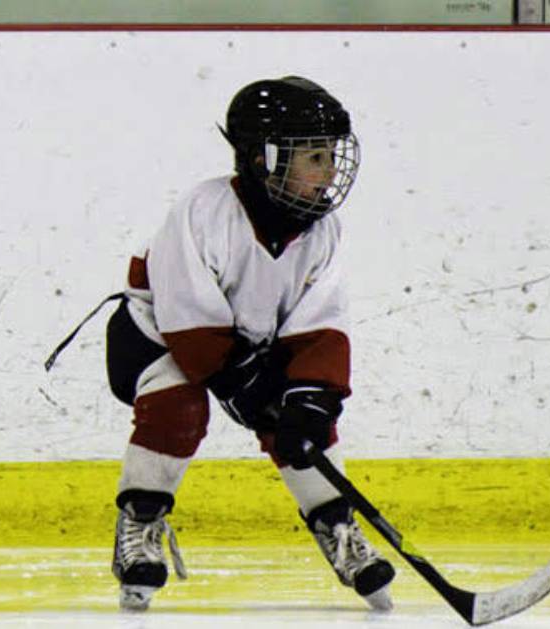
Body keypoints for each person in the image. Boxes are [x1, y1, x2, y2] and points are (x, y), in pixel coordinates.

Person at [102, 77, 394, 612]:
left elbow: (319, 324)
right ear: (265, 161)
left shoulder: (323, 232)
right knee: (180, 406)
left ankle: (337, 527)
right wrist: (242, 381)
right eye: (314, 157)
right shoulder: (203, 212)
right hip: (157, 335)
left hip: (244, 342)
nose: (329, 171)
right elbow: (187, 319)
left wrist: (310, 394)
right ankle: (140, 524)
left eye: (330, 155)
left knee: (302, 421)